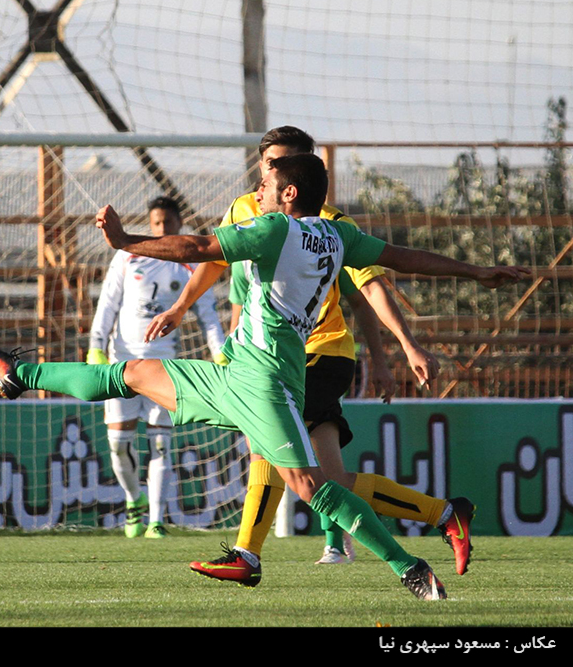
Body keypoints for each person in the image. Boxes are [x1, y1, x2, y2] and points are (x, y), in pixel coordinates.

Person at [0, 153, 528, 600]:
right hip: (235, 372)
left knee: (312, 487)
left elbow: (197, 248)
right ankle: (21, 372)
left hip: (266, 383)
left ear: (289, 193)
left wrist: (126, 243)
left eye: (265, 185)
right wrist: (476, 271)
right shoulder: (338, 237)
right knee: (133, 371)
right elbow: (404, 257)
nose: (256, 192)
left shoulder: (275, 231)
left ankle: (410, 569)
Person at [178, 127, 473, 586]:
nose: (272, 173)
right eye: (269, 164)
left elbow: (367, 289)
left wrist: (401, 346)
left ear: (302, 175)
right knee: (330, 479)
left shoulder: (330, 225)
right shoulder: (244, 208)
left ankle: (249, 555)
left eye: (283, 165)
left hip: (320, 351)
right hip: (266, 357)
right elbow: (219, 265)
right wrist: (180, 308)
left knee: (269, 448)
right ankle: (443, 514)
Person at [87, 196, 226, 538]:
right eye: (157, 223)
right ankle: (133, 499)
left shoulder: (190, 264)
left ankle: (156, 520)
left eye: (168, 222)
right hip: (123, 362)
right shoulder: (127, 255)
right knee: (118, 444)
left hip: (165, 366)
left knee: (161, 443)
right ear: (150, 225)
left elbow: (208, 314)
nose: (163, 228)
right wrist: (95, 346)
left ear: (180, 224)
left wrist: (219, 352)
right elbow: (107, 304)